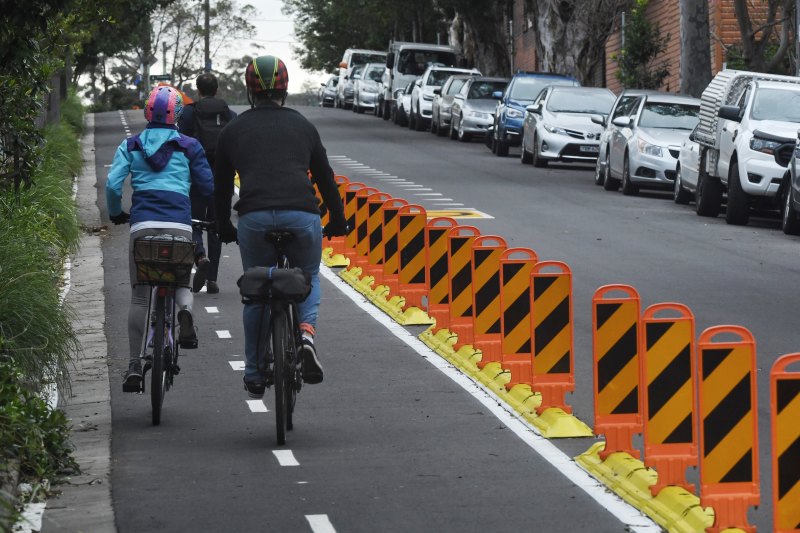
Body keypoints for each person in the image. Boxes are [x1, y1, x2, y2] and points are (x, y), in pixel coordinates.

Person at [213, 55, 348, 398]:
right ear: (285, 89)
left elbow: (221, 187)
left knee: (257, 290)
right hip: (302, 215)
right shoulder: (303, 125)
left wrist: (223, 225)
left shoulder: (233, 130)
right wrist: (339, 220)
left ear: (250, 90)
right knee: (309, 275)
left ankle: (256, 373)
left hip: (255, 218)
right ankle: (305, 335)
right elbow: (326, 180)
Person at [106, 85, 214, 392]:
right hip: (180, 227)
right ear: (177, 113)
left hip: (143, 227)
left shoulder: (132, 145)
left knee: (140, 297)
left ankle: (133, 365)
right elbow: (207, 187)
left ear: (146, 112)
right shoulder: (189, 145)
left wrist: (116, 213)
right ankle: (186, 314)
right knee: (181, 282)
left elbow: (113, 187)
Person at [177, 72, 237, 294]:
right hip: (222, 179)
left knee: (192, 221)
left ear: (198, 90)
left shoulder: (189, 113)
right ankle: (213, 279)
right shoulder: (228, 113)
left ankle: (200, 256)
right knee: (217, 225)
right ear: (217, 89)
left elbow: (179, 142)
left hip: (194, 177)